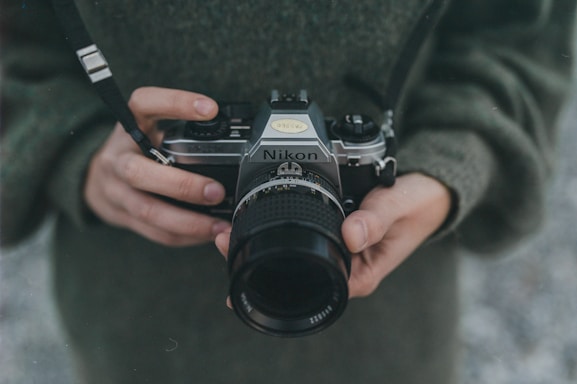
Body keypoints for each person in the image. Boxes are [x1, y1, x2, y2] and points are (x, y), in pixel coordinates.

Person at [1, 1, 575, 383]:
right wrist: (79, 154)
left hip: (387, 343)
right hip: (141, 338)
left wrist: (448, 163)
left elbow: (523, 34)